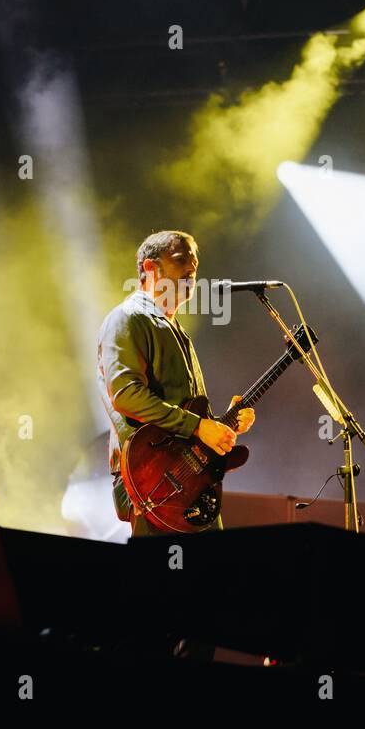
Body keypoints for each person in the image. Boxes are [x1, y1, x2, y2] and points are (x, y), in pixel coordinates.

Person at [96, 230, 254, 537]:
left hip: (191, 481)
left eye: (195, 261)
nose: (192, 267)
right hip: (151, 478)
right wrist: (198, 427)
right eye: (181, 259)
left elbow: (184, 412)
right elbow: (127, 396)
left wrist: (226, 423)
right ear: (151, 269)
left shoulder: (177, 331)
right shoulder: (129, 318)